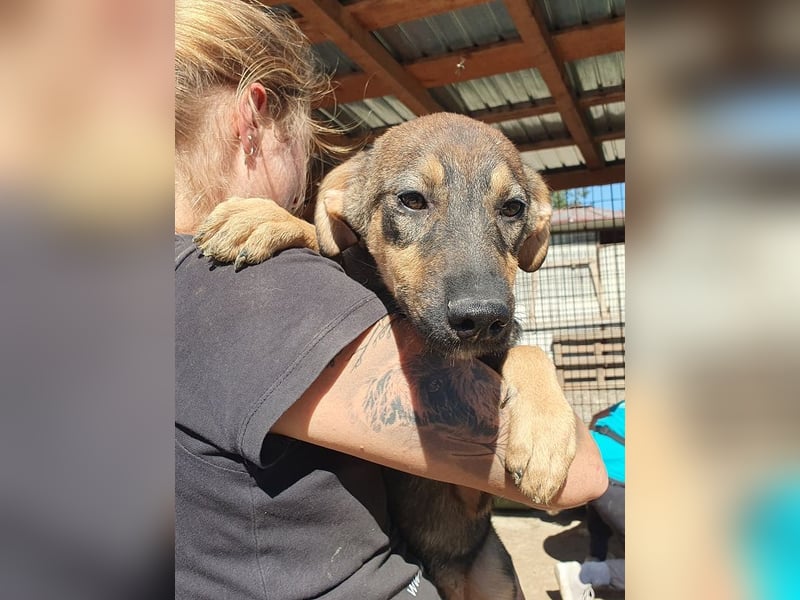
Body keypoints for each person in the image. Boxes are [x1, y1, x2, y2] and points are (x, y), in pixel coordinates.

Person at [175, 1, 608, 598]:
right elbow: (582, 476)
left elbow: (346, 263)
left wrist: (533, 368)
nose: (481, 293)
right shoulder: (248, 288)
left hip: (471, 547)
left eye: (509, 209)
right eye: (413, 200)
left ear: (532, 219)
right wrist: (298, 227)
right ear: (254, 123)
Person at [554, 401, 625, 600]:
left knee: (600, 506)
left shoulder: (624, 404)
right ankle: (582, 577)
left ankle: (597, 555)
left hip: (589, 466)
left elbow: (596, 418)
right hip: (615, 480)